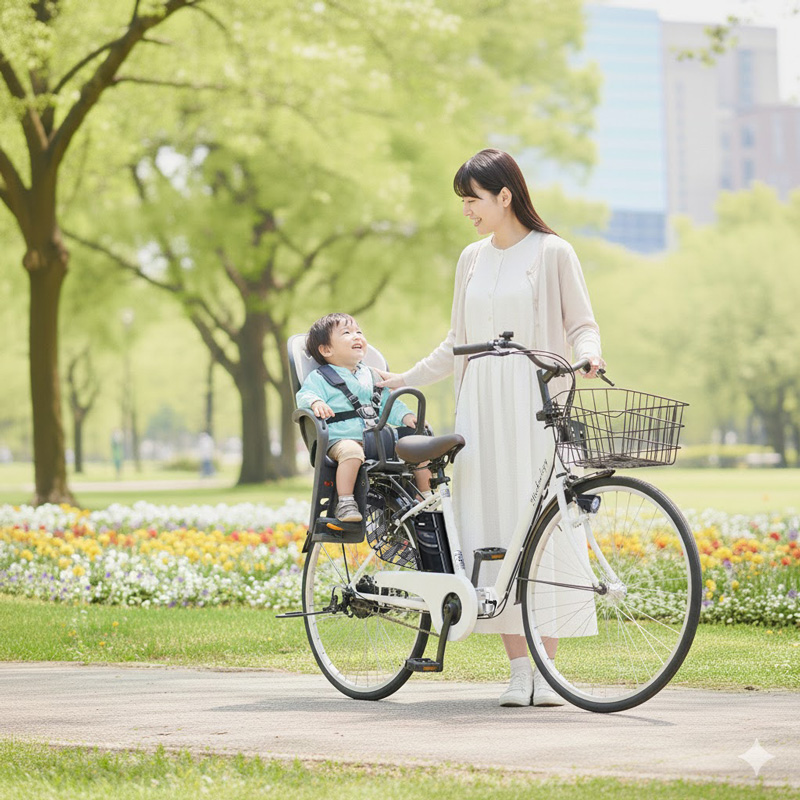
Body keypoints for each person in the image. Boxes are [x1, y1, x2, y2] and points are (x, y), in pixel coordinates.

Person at [376, 149, 605, 708]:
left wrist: (590, 355)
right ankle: (519, 670)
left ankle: (548, 668)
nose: (467, 210)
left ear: (505, 196)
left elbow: (582, 323)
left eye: (473, 199)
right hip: (480, 408)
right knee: (493, 527)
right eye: (463, 201)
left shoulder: (552, 252)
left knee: (543, 526)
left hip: (535, 405)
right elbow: (456, 341)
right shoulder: (471, 259)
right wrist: (404, 377)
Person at [296, 313, 431, 523]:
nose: (357, 336)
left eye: (359, 331)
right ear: (327, 350)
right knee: (352, 452)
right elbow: (304, 395)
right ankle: (345, 502)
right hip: (342, 439)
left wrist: (407, 416)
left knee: (418, 443)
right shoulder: (320, 377)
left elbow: (389, 403)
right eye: (347, 333)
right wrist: (316, 402)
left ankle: (425, 495)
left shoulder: (372, 375)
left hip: (377, 440)